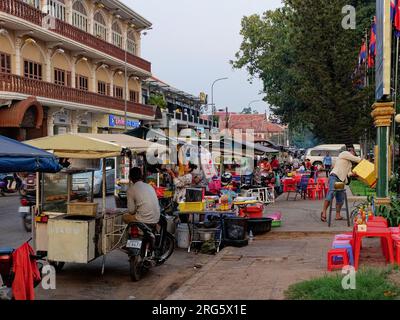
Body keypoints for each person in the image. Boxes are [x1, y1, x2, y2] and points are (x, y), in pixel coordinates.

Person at [321, 145, 361, 222]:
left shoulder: (349, 164)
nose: (353, 153)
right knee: (331, 194)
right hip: (335, 177)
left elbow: (348, 173)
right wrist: (365, 161)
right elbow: (357, 159)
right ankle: (324, 212)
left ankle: (337, 215)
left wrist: (353, 174)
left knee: (340, 199)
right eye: (353, 152)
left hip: (341, 180)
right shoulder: (344, 153)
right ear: (351, 151)